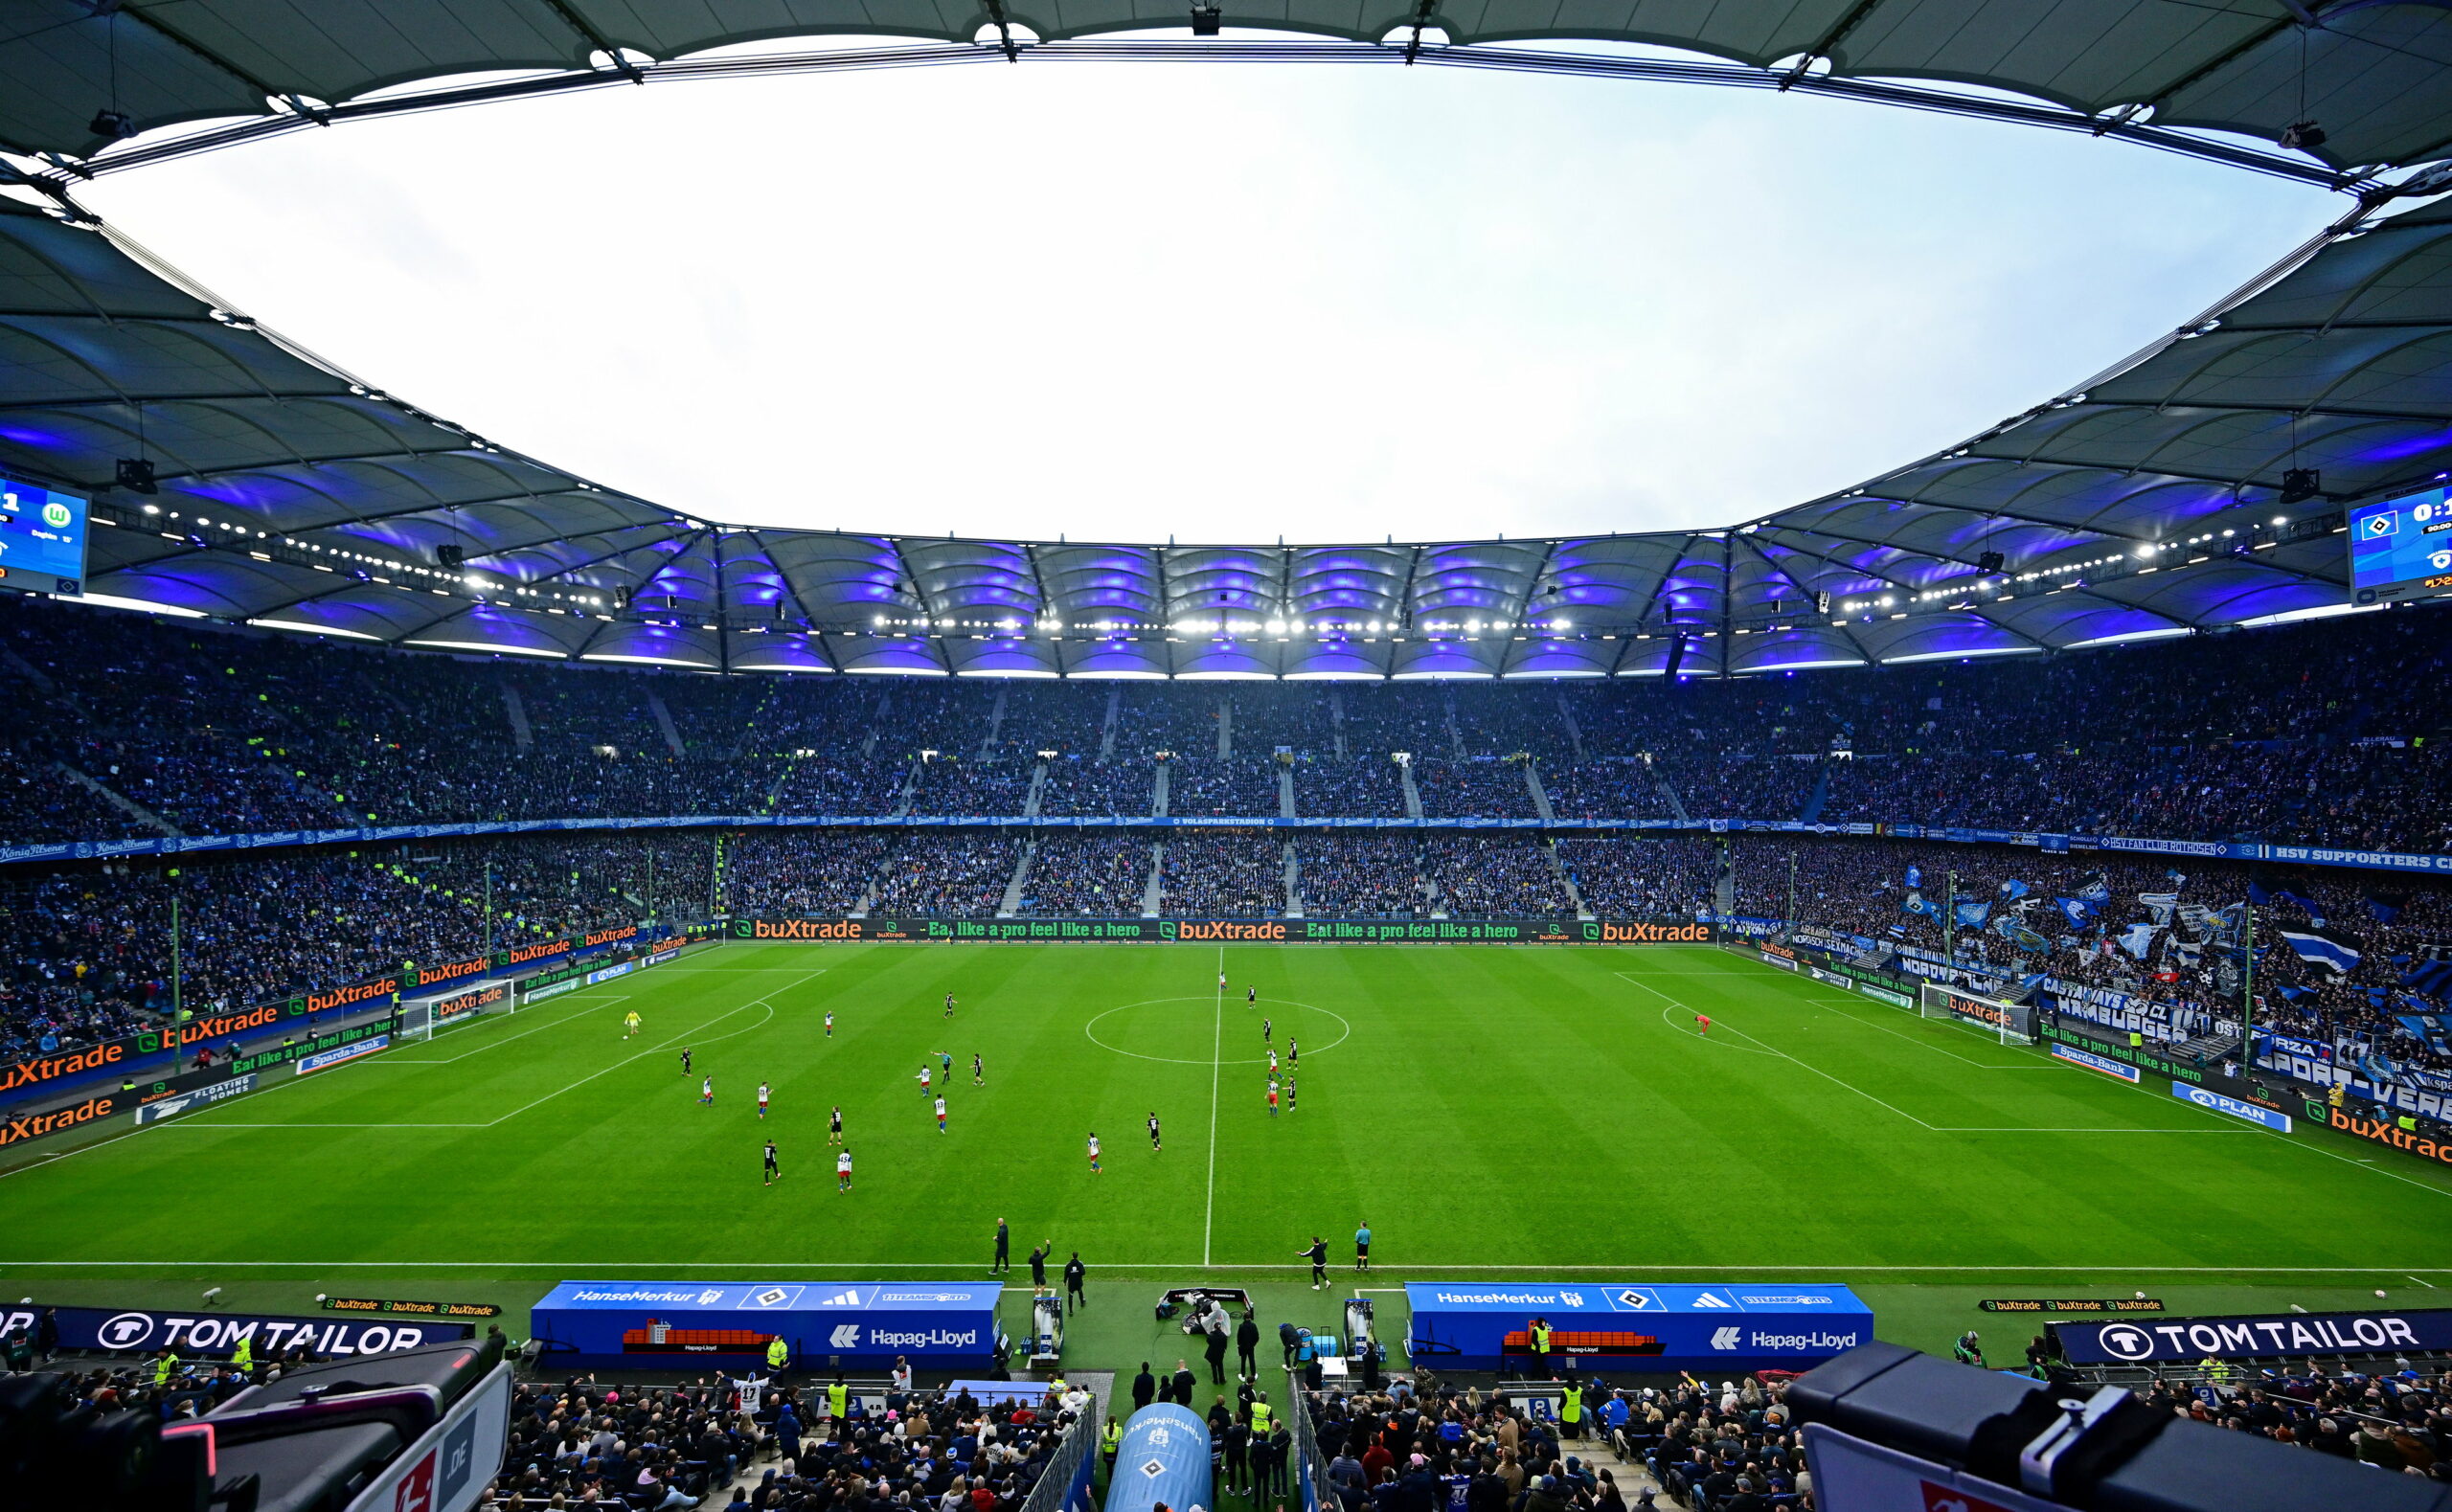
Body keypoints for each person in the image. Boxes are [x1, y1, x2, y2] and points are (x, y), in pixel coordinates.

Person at [1237, 1310, 1260, 1378]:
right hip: (1251, 1346)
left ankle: (1243, 1375)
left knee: (1243, 1361)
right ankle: (1253, 1374)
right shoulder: (1253, 1325)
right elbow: (1257, 1337)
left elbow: (1239, 1337)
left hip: (1243, 1347)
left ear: (1244, 1317)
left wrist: (1239, 1344)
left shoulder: (1241, 1326)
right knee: (1252, 1360)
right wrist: (1253, 1344)